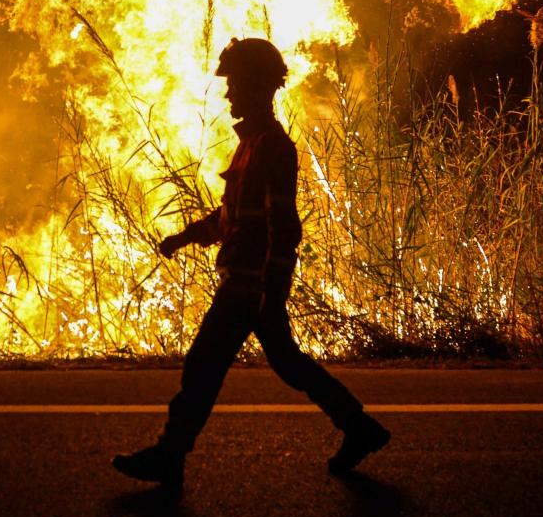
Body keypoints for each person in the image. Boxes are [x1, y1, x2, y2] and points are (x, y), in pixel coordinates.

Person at [113, 37, 390, 486]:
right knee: (287, 362)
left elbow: (284, 228)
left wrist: (269, 290)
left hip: (249, 286)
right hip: (248, 283)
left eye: (236, 84)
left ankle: (170, 455)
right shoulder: (250, 146)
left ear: (258, 86)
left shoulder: (272, 148)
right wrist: (186, 237)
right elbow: (231, 218)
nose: (228, 94)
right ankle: (360, 428)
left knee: (204, 363)